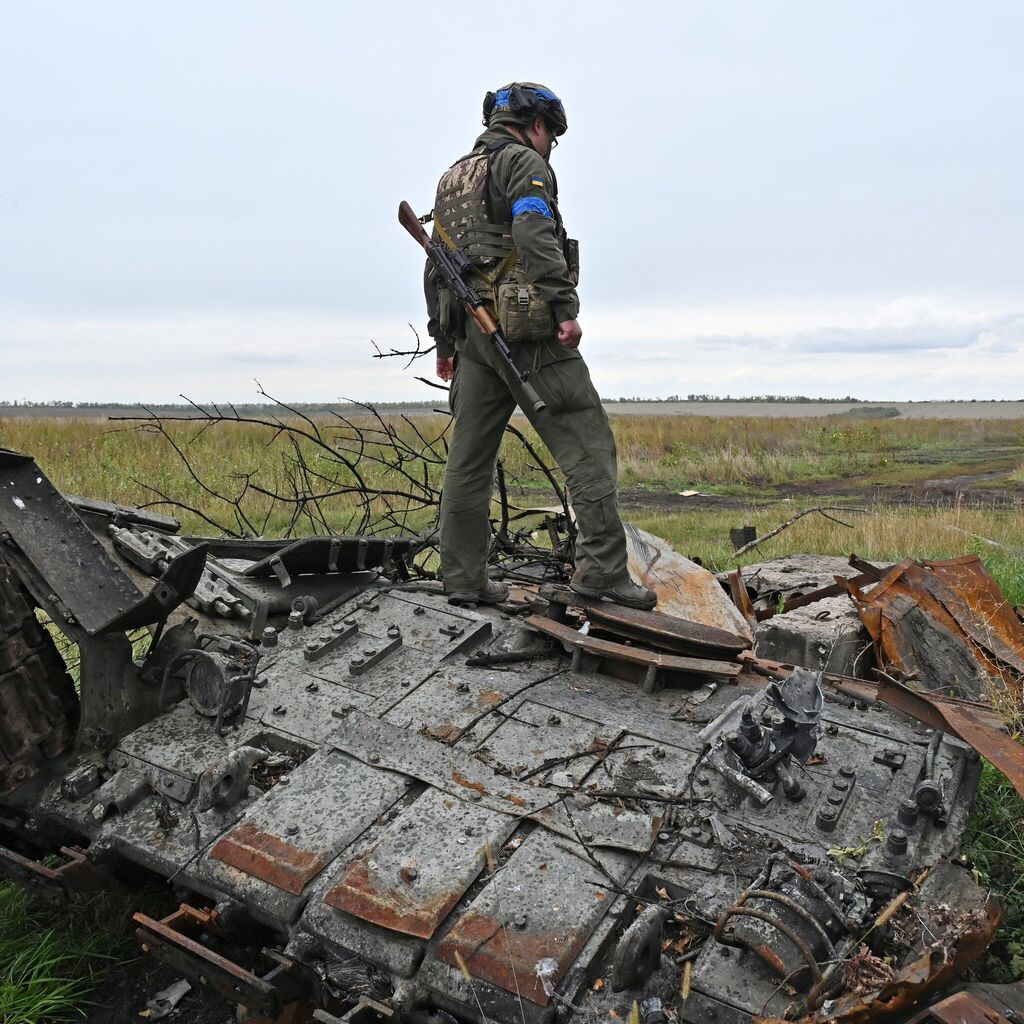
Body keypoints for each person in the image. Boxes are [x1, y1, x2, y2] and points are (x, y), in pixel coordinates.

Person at [423, 82, 656, 611]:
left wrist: (444, 340)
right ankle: (601, 574)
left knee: (468, 461)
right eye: (551, 132)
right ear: (535, 125)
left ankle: (462, 579)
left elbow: (435, 264)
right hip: (525, 332)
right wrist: (563, 308)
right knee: (586, 442)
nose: (550, 143)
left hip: (471, 335)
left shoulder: (452, 178)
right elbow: (534, 232)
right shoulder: (524, 164)